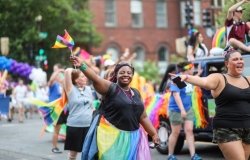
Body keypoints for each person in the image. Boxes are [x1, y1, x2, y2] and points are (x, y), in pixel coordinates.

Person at [70, 55, 160, 160]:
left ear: (132, 75)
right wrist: (82, 65)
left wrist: (153, 134)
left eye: (129, 73)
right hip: (113, 137)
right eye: (122, 72)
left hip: (133, 138)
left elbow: (143, 117)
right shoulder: (111, 88)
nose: (126, 75)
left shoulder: (136, 93)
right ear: (116, 74)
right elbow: (95, 78)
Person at [170, 48, 250, 160]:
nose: (240, 61)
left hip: (247, 127)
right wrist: (187, 77)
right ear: (227, 63)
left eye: (241, 59)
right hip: (227, 128)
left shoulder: (248, 80)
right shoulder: (220, 78)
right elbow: (204, 81)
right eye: (235, 59)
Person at [167, 62, 202, 160]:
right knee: (175, 132)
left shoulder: (188, 78)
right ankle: (170, 155)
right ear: (187, 69)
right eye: (192, 68)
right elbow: (176, 95)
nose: (193, 70)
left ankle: (193, 155)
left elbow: (191, 83)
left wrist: (198, 74)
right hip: (176, 110)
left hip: (188, 108)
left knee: (189, 131)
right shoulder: (177, 79)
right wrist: (182, 110)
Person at [64, 68, 95, 160]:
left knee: (88, 153)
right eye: (82, 76)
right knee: (73, 155)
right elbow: (66, 72)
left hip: (89, 126)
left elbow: (91, 105)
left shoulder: (89, 89)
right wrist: (74, 68)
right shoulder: (70, 89)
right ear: (76, 80)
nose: (85, 78)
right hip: (75, 126)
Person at [48, 63, 67, 154]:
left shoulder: (63, 85)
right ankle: (54, 147)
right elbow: (51, 79)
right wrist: (58, 71)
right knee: (57, 129)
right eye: (54, 72)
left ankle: (71, 147)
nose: (56, 74)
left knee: (70, 127)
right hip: (55, 109)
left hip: (64, 108)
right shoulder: (52, 84)